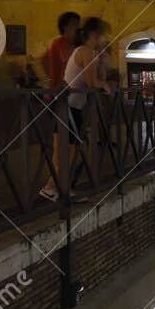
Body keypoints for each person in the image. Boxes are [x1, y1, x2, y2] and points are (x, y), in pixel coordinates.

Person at [49, 18, 113, 197]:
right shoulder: (86, 51)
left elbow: (96, 77)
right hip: (70, 108)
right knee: (67, 153)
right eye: (103, 36)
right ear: (94, 35)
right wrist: (105, 85)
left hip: (67, 107)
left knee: (64, 153)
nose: (105, 40)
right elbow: (92, 82)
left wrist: (101, 60)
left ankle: (56, 189)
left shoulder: (88, 52)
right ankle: (57, 190)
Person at [38, 12, 82, 201]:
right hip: (61, 99)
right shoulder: (58, 44)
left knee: (73, 147)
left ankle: (63, 187)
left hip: (75, 99)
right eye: (73, 25)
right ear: (64, 27)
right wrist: (53, 87)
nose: (77, 28)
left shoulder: (77, 46)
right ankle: (51, 187)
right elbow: (50, 66)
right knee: (63, 146)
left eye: (78, 25)